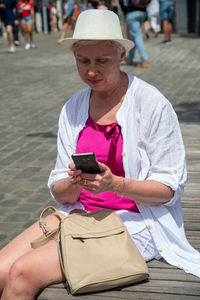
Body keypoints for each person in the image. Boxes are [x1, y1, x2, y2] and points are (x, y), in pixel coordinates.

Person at [0, 9, 200, 300]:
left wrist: (115, 184)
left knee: (23, 273)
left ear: (121, 55)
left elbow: (168, 190)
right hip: (78, 213)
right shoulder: (73, 107)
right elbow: (61, 192)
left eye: (102, 61)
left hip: (135, 221)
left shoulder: (152, 104)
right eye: (83, 61)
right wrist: (74, 181)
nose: (91, 71)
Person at [119, 0, 149, 68]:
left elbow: (122, 2)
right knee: (135, 36)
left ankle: (144, 59)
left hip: (131, 13)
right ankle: (130, 58)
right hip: (142, 12)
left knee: (137, 35)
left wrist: (125, 12)